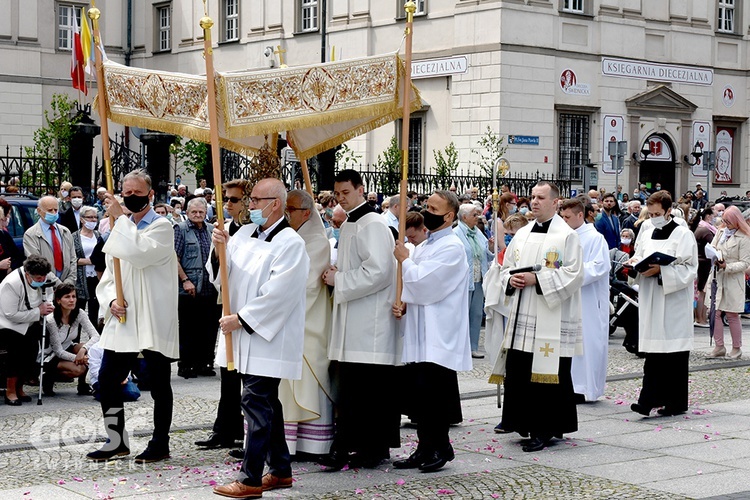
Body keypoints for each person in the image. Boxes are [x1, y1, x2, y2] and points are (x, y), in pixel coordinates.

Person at [210, 178, 309, 499]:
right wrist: (218, 250)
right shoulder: (245, 234)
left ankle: (251, 478)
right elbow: (225, 275)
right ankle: (280, 470)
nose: (249, 206)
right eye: (249, 200)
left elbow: (280, 293)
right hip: (243, 334)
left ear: (275, 203)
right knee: (267, 403)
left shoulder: (291, 243)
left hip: (268, 336)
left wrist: (243, 318)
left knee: (254, 401)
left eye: (255, 200)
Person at [87, 169, 179, 463]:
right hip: (124, 316)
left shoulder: (163, 227)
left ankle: (160, 443)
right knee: (107, 379)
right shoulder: (119, 227)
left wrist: (120, 219)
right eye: (126, 193)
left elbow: (140, 253)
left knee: (159, 382)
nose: (131, 198)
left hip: (151, 316)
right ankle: (116, 440)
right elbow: (111, 275)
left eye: (137, 193)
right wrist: (112, 299)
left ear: (151, 195)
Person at [485, 181, 583, 452]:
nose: (535, 201)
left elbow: (574, 274)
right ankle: (524, 423)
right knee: (522, 369)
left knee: (546, 372)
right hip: (523, 315)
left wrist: (536, 280)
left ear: (556, 202)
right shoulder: (523, 233)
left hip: (549, 314)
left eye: (541, 197)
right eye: (532, 197)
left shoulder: (567, 236)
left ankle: (545, 429)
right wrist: (511, 279)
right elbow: (506, 267)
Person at [319, 169, 400, 470]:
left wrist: (339, 279)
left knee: (368, 391)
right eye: (337, 194)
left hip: (370, 322)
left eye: (346, 193)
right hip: (353, 318)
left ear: (361, 190)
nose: (341, 198)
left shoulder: (373, 223)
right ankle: (358, 446)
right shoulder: (352, 222)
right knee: (354, 390)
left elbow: (379, 271)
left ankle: (371, 448)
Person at [391, 190, 471, 472]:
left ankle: (441, 447)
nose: (427, 210)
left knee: (435, 395)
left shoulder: (452, 247)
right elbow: (414, 290)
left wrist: (404, 259)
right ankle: (424, 447)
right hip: (421, 330)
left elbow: (427, 284)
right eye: (427, 205)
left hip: (440, 333)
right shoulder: (426, 245)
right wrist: (404, 305)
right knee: (420, 396)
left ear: (449, 216)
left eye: (433, 207)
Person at [628, 191, 697, 417]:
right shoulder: (647, 233)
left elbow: (689, 269)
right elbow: (638, 255)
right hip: (651, 297)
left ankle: (675, 402)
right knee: (654, 353)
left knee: (673, 354)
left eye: (658, 213)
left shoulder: (683, 234)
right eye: (651, 213)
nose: (654, 217)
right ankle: (649, 399)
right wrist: (634, 265)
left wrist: (662, 270)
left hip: (673, 300)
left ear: (669, 211)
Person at [194, 178, 251, 451]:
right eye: (225, 199)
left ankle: (248, 431)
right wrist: (218, 253)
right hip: (229, 307)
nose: (227, 204)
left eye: (233, 199)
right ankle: (224, 429)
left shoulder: (256, 232)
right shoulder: (224, 228)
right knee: (228, 373)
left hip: (249, 309)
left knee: (250, 378)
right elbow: (214, 272)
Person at [280, 189, 334, 457]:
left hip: (307, 321)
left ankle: (312, 444)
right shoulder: (289, 236)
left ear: (305, 212)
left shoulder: (316, 241)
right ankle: (286, 442)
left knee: (307, 379)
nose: (286, 213)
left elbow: (308, 283)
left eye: (290, 209)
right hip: (288, 321)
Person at [560, 199, 609, 403]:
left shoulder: (595, 238)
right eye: (562, 217)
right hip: (567, 297)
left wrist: (571, 273)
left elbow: (599, 267)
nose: (563, 221)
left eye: (568, 217)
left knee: (587, 344)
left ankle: (584, 387)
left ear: (580, 215)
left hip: (587, 299)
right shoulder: (562, 236)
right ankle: (568, 385)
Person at [174, 197, 220, 378]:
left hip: (210, 287)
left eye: (201, 212)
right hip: (189, 288)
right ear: (187, 212)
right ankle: (186, 364)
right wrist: (185, 279)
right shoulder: (181, 230)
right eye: (194, 212)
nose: (198, 215)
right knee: (188, 328)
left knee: (209, 328)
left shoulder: (211, 230)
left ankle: (205, 363)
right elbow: (174, 258)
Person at [0, 255, 53, 405]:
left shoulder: (44, 275)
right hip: (7, 325)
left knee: (31, 352)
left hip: (30, 321)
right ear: (27, 274)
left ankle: (20, 388)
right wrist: (38, 311)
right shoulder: (12, 283)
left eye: (43, 277)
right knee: (16, 353)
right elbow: (10, 314)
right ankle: (10, 391)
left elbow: (49, 293)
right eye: (38, 278)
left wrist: (48, 305)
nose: (41, 280)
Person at [706, 205, 750, 359]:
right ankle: (719, 346)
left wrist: (727, 266)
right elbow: (712, 247)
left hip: (733, 279)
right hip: (717, 277)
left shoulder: (744, 238)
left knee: (732, 314)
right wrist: (714, 256)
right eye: (724, 221)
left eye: (729, 221)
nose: (726, 224)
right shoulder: (720, 232)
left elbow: (745, 264)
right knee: (714, 312)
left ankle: (736, 347)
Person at [41, 283, 100, 396]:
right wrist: (79, 359)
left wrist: (83, 350)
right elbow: (58, 351)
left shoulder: (79, 313)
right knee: (79, 369)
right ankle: (48, 377)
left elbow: (96, 336)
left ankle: (82, 385)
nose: (72, 300)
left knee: (88, 348)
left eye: (74, 296)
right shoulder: (51, 319)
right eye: (67, 297)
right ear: (58, 300)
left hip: (67, 346)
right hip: (50, 355)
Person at [454, 203, 493, 359]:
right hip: (464, 280)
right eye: (474, 215)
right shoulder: (456, 233)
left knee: (476, 314)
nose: (478, 218)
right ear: (464, 217)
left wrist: (490, 247)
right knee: (462, 315)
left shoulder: (477, 233)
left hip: (478, 279)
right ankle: (459, 348)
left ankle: (473, 346)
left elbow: (487, 255)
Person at [23, 195, 77, 287]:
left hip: (66, 287)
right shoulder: (31, 234)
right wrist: (59, 285)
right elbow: (37, 264)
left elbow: (73, 259)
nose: (53, 213)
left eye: (55, 210)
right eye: (49, 210)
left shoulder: (65, 231)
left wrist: (69, 282)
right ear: (39, 211)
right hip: (45, 286)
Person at [73, 206, 102, 328]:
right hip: (81, 279)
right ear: (82, 219)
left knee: (95, 310)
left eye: (95, 217)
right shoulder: (74, 237)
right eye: (89, 217)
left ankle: (95, 340)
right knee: (77, 311)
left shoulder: (99, 235)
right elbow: (70, 259)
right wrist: (89, 261)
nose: (93, 220)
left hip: (97, 276)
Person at [690, 208, 715, 328]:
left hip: (699, 261)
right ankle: (701, 318)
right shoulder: (706, 230)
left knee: (700, 291)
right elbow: (714, 244)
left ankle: (698, 317)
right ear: (708, 216)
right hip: (704, 262)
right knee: (702, 292)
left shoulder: (698, 228)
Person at [0, 203, 23, 282]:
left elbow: (17, 256)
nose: (4, 220)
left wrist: (11, 267)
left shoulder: (3, 234)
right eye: (1, 219)